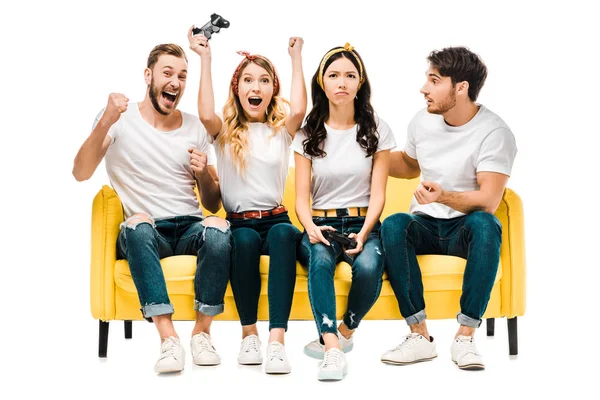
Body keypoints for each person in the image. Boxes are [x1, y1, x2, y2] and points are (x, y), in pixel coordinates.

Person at [72, 43, 232, 374]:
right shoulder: (118, 120)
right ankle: (168, 339)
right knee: (138, 223)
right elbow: (80, 173)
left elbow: (213, 202)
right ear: (149, 76)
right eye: (168, 73)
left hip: (190, 227)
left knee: (218, 226)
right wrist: (105, 121)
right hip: (147, 232)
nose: (176, 82)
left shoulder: (195, 127)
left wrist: (203, 173)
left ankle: (202, 333)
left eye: (182, 76)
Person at [380, 46, 518, 370]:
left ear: (461, 87)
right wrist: (370, 154)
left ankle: (465, 338)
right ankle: (419, 336)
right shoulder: (422, 121)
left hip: (465, 227)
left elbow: (488, 200)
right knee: (394, 225)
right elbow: (411, 165)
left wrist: (442, 196)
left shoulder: (495, 133)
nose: (423, 88)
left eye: (434, 80)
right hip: (426, 223)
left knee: (487, 224)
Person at [187, 28, 307, 374]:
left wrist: (296, 58)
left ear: (273, 90)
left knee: (285, 235)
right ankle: (248, 334)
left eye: (264, 81)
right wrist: (205, 57)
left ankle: (277, 341)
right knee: (243, 240)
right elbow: (205, 109)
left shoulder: (281, 131)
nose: (256, 88)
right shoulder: (223, 132)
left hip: (276, 218)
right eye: (249, 81)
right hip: (239, 221)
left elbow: (299, 107)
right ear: (237, 89)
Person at [293, 43, 396, 381]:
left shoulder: (376, 128)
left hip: (363, 222)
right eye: (334, 75)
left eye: (350, 75)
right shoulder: (307, 133)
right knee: (320, 262)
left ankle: (346, 329)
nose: (342, 82)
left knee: (368, 267)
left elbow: (379, 193)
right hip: (320, 224)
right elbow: (301, 198)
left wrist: (364, 234)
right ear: (322, 82)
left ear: (360, 82)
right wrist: (310, 228)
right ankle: (332, 348)